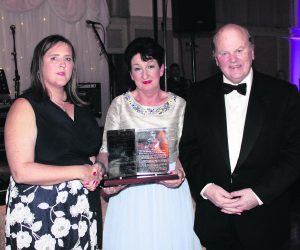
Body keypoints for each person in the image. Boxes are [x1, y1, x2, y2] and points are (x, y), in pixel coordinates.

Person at [179, 23, 300, 250]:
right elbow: (189, 148)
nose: (232, 59)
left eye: (239, 50)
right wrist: (206, 188)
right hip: (215, 223)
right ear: (215, 58)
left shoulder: (284, 95)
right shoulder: (198, 94)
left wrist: (258, 194)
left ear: (252, 52)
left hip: (266, 221)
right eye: (224, 53)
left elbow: (294, 155)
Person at [98, 37, 201, 250]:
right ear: (130, 74)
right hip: (128, 193)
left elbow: (188, 152)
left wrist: (180, 173)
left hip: (169, 192)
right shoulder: (119, 105)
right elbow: (105, 152)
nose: (145, 75)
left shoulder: (179, 105)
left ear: (161, 69)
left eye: (150, 66)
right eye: (137, 68)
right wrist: (106, 179)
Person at [4, 34, 104, 249]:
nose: (62, 64)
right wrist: (80, 171)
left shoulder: (82, 107)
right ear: (39, 64)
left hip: (83, 206)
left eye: (68, 59)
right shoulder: (25, 106)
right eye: (54, 58)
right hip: (41, 210)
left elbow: (88, 153)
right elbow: (21, 172)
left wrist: (97, 168)